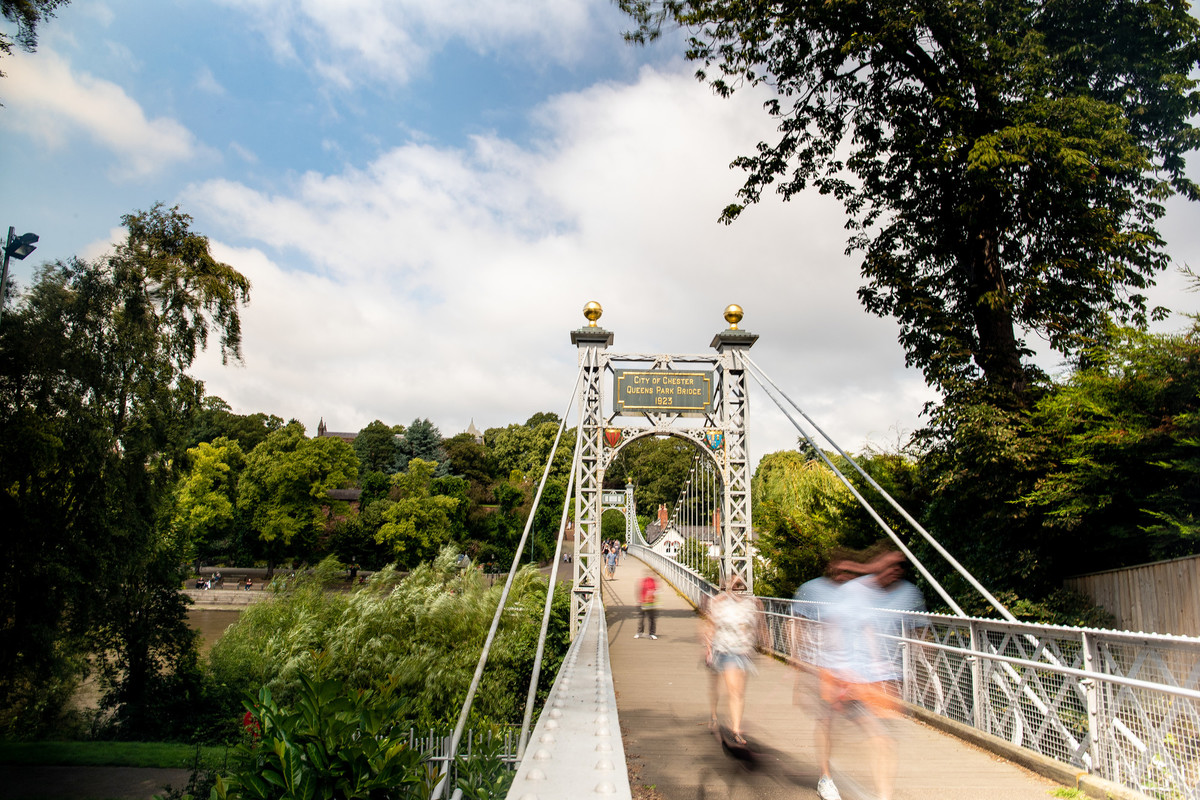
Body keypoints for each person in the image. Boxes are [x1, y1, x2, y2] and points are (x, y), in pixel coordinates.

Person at [816, 550, 924, 800]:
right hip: (841, 675)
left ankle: (883, 796)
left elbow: (869, 632)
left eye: (900, 566)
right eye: (889, 564)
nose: (895, 570)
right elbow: (833, 628)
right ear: (875, 564)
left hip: (869, 681)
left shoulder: (903, 594)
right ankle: (826, 778)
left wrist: (882, 671)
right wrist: (840, 672)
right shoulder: (854, 592)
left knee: (882, 739)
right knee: (829, 726)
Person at [703, 574, 765, 745]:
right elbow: (711, 625)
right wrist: (708, 648)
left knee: (739, 692)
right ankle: (723, 721)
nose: (739, 587)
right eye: (735, 584)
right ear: (728, 585)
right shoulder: (718, 602)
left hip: (744, 651)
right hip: (724, 649)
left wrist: (768, 648)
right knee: (731, 690)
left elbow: (760, 626)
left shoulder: (752, 603)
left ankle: (735, 727)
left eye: (741, 584)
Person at [634, 573, 659, 639]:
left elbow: (655, 592)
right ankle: (646, 633)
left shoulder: (652, 581)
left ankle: (645, 633)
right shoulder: (644, 581)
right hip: (646, 602)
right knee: (647, 618)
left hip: (648, 602)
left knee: (645, 618)